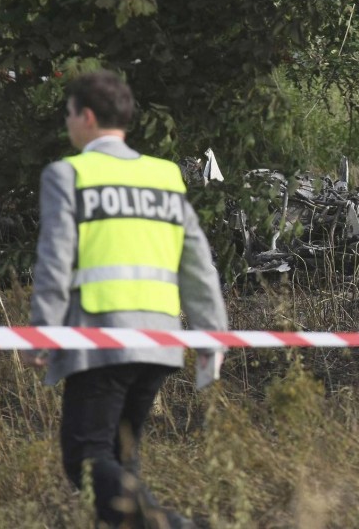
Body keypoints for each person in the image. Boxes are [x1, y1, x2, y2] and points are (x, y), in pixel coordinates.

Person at [24, 69, 228, 528]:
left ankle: (173, 526)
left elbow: (55, 263)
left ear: (87, 117)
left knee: (86, 460)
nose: (67, 122)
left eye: (69, 113)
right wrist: (211, 336)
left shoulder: (68, 174)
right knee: (121, 461)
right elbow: (197, 263)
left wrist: (41, 334)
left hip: (101, 339)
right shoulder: (164, 176)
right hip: (159, 342)